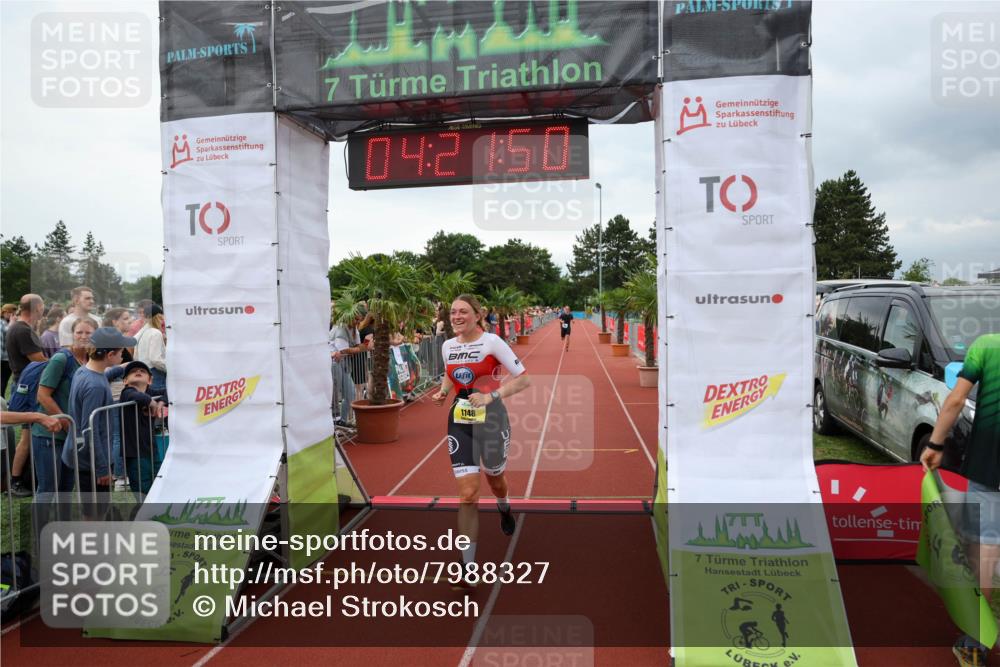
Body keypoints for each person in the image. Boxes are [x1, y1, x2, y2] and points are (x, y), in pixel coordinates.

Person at [431, 295, 532, 590]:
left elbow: (524, 380)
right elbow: (452, 377)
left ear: (478, 315)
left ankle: (504, 507)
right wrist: (442, 392)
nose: (456, 316)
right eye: (452, 312)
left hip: (492, 419)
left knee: (496, 480)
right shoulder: (448, 345)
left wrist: (491, 396)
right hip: (461, 420)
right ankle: (468, 568)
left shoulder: (492, 342)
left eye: (463, 311)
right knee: (468, 495)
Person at [922, 333, 1000, 667]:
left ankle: (977, 641)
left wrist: (936, 444)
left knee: (984, 547)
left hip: (990, 463)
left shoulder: (987, 346)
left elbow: (955, 400)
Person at [63, 327, 134, 499]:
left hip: (84, 457)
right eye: (121, 352)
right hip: (92, 462)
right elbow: (89, 430)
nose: (123, 355)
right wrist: (102, 468)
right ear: (110, 355)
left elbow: (102, 375)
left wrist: (122, 368)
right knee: (95, 513)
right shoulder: (95, 386)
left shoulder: (85, 371)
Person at [32, 317, 95, 494]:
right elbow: (42, 395)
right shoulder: (61, 359)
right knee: (48, 488)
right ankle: (41, 523)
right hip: (49, 435)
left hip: (72, 436)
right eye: (79, 332)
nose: (83, 336)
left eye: (88, 332)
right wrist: (68, 424)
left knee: (66, 489)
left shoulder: (90, 360)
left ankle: (63, 522)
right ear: (72, 334)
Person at [6, 294, 47, 496]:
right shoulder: (22, 330)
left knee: (30, 435)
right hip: (27, 388)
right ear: (36, 307)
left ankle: (26, 479)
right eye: (42, 306)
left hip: (26, 385)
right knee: (27, 436)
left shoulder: (22, 328)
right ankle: (15, 481)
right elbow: (39, 359)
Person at [118, 360, 166, 494]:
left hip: (152, 450)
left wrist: (162, 401)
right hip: (135, 454)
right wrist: (151, 402)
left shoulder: (152, 391)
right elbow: (134, 395)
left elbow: (168, 391)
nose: (138, 372)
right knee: (142, 491)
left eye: (142, 371)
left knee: (159, 486)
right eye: (133, 372)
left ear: (150, 380)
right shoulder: (126, 392)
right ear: (125, 381)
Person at [330, 309, 366, 427]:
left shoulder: (354, 329)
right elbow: (345, 350)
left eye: (359, 320)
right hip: (335, 362)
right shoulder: (341, 328)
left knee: (350, 393)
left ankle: (343, 421)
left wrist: (360, 348)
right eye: (356, 319)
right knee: (335, 392)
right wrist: (361, 348)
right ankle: (335, 421)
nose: (357, 322)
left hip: (344, 363)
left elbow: (356, 346)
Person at [134, 303, 167, 398]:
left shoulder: (141, 332)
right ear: (157, 317)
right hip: (155, 375)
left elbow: (136, 356)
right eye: (161, 318)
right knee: (158, 407)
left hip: (143, 372)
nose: (162, 321)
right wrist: (170, 369)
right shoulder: (156, 333)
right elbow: (155, 359)